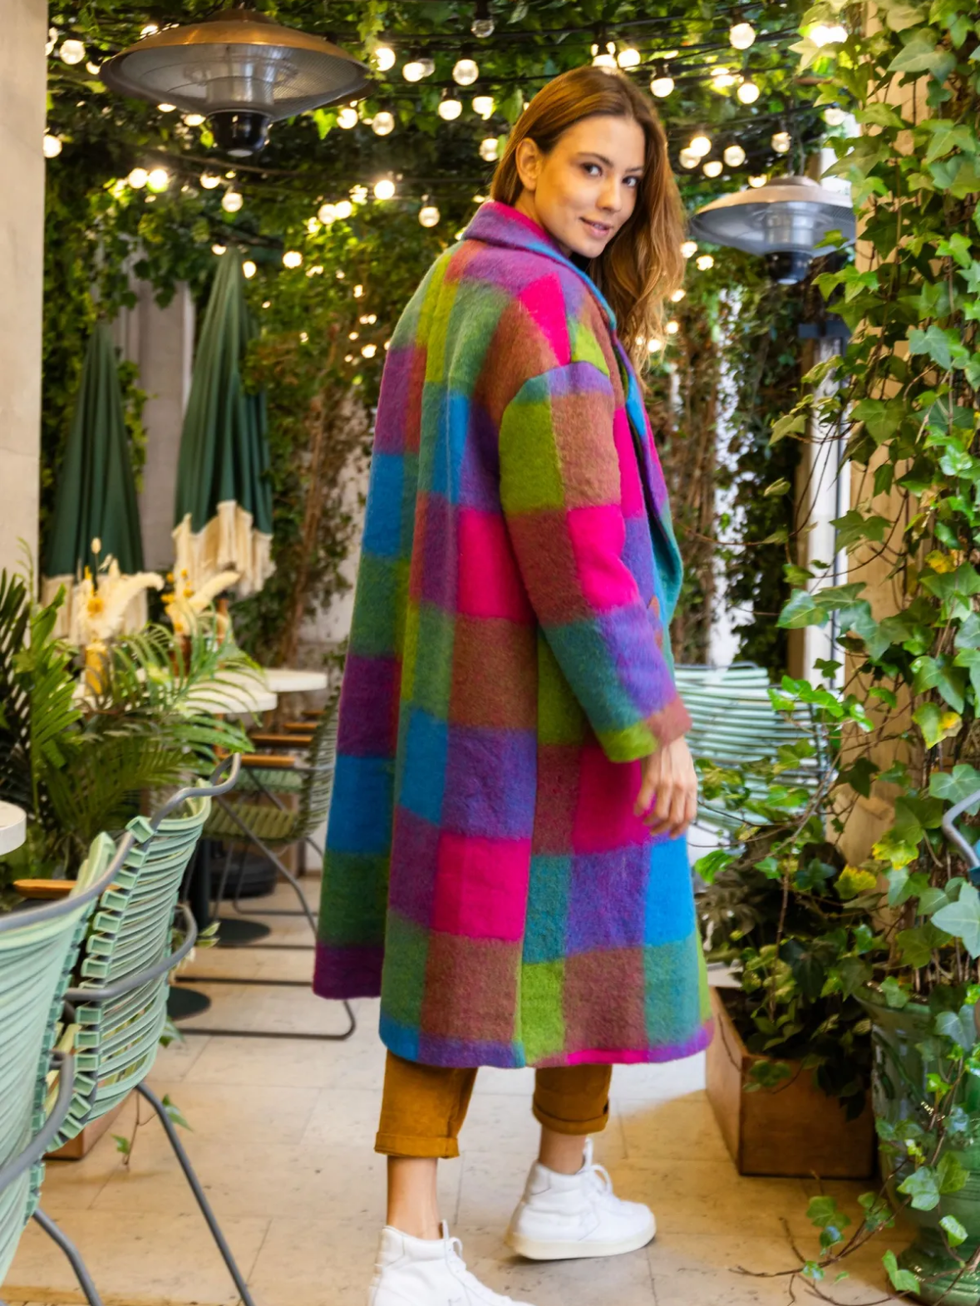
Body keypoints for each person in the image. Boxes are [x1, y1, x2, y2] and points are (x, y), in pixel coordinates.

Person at [313, 63, 713, 1306]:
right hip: (546, 695)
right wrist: (651, 721)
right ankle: (413, 1249)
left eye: (628, 180)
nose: (609, 199)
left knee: (506, 936)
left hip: (460, 684)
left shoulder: (450, 284)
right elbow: (581, 540)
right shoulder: (543, 302)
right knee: (508, 943)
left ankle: (560, 1189)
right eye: (588, 167)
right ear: (525, 159)